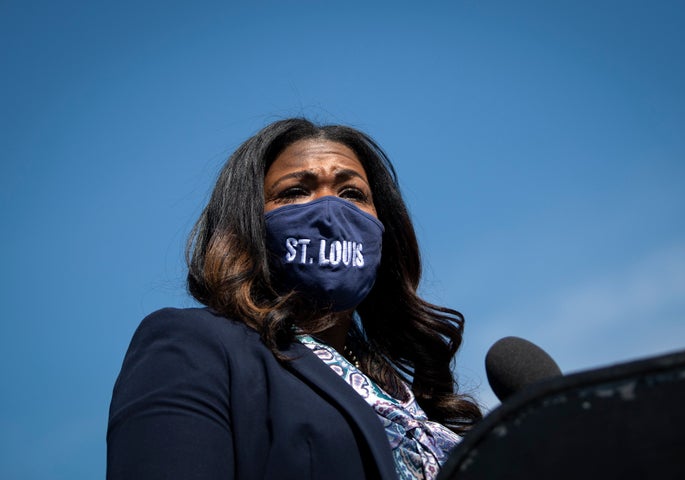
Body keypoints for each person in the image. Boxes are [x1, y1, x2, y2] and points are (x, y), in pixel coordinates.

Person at [107, 118, 482, 479]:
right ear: (247, 225)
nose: (330, 214)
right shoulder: (196, 346)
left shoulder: (413, 399)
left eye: (352, 193)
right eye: (295, 192)